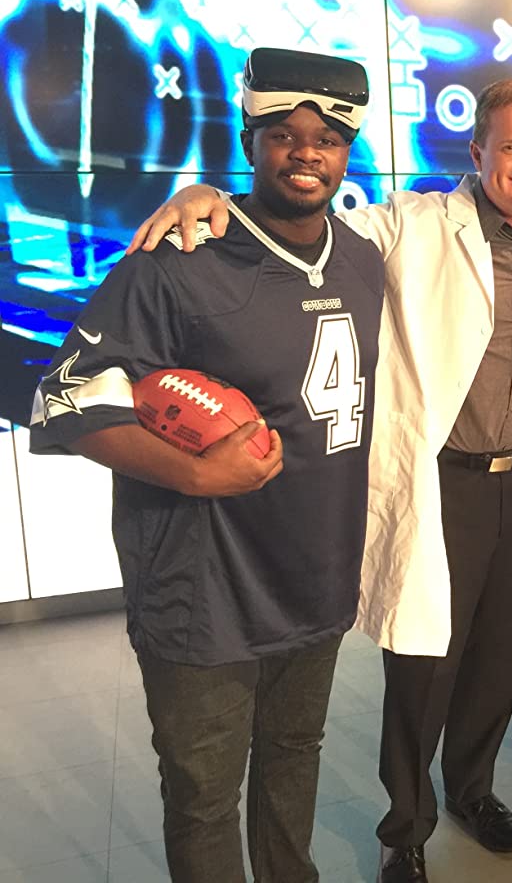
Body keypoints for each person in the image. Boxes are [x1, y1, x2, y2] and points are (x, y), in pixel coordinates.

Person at [129, 79, 512, 883]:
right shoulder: (412, 224)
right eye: (510, 146)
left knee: (493, 659)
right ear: (476, 151)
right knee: (425, 661)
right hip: (445, 481)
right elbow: (302, 218)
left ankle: (473, 791)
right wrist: (212, 198)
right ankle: (404, 827)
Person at [29, 48, 384, 883]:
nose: (307, 152)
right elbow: (62, 401)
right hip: (204, 592)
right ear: (250, 139)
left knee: (295, 754)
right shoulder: (178, 259)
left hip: (317, 576)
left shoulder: (364, 259)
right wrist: (193, 473)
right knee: (203, 797)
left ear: (347, 151)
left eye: (328, 139)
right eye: (284, 135)